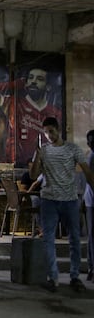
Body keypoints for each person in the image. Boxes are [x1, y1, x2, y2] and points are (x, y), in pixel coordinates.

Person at [30, 117, 94, 293]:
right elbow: (34, 175)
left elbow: (87, 172)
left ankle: (74, 277)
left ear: (58, 130)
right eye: (46, 132)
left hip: (70, 200)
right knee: (48, 239)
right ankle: (53, 277)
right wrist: (37, 156)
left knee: (74, 239)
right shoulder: (43, 151)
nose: (49, 135)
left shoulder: (73, 149)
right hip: (49, 200)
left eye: (51, 131)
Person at [16, 67, 62, 166]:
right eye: (31, 78)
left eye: (39, 79)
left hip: (47, 165)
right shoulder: (15, 104)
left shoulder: (55, 113)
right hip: (20, 164)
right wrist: (17, 83)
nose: (33, 82)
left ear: (48, 87)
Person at [85, 130, 94, 281]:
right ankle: (92, 268)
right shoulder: (92, 156)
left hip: (89, 200)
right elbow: (90, 179)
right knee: (92, 235)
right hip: (92, 201)